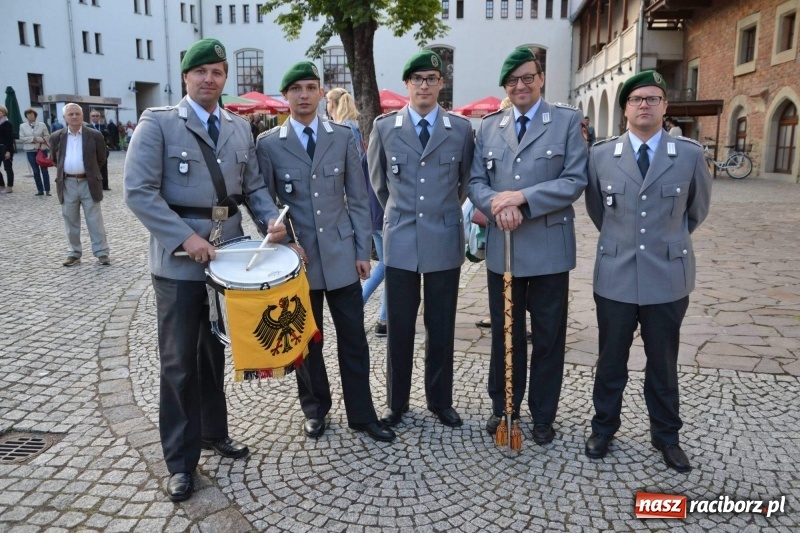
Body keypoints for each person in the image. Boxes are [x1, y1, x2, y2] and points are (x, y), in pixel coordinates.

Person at [124, 39, 287, 502]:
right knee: (178, 363)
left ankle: (214, 432)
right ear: (186, 78)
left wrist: (272, 221)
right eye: (201, 72)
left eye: (217, 72)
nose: (209, 80)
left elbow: (252, 187)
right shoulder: (158, 124)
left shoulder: (238, 128)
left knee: (213, 353)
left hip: (227, 261)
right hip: (178, 265)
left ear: (224, 78)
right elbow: (139, 191)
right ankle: (179, 461)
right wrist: (185, 237)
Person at [256, 61, 395, 443]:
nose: (304, 95)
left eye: (311, 87)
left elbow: (358, 195)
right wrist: (282, 243)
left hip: (341, 258)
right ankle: (315, 409)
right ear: (284, 96)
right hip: (297, 261)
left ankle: (362, 415)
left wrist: (362, 248)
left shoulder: (341, 137)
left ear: (321, 93)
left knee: (354, 338)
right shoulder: (268, 144)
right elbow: (263, 202)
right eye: (296, 88)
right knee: (305, 341)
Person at [583, 71, 712, 472]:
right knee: (610, 360)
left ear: (665, 107)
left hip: (667, 277)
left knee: (663, 362)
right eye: (637, 99)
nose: (645, 105)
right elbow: (596, 210)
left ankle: (666, 436)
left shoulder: (688, 154)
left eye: (653, 98)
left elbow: (697, 210)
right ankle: (604, 428)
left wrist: (665, 240)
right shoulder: (601, 155)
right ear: (625, 108)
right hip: (616, 274)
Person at [468, 46, 588, 444]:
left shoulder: (566, 122)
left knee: (549, 336)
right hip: (505, 248)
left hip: (550, 249)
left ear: (540, 80)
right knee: (506, 333)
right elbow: (475, 182)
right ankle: (506, 406)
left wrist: (521, 198)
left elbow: (574, 180)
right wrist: (495, 205)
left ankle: (542, 415)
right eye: (513, 80)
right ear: (505, 86)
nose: (521, 86)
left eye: (528, 78)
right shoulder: (488, 127)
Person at [368, 50, 475, 429]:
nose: (424, 85)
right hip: (400, 242)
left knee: (441, 325)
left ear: (441, 84)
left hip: (443, 239)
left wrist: (439, 214)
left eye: (432, 78)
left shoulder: (460, 130)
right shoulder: (384, 128)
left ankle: (439, 400)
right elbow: (379, 184)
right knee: (398, 327)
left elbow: (463, 185)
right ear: (407, 84)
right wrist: (404, 214)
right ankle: (396, 402)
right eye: (418, 79)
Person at [326, 87, 387, 336]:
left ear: (333, 104)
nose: (326, 107)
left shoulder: (344, 129)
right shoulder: (350, 127)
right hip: (370, 205)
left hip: (365, 203)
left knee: (385, 262)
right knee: (386, 263)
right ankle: (378, 315)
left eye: (327, 102)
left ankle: (378, 315)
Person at [50, 103, 111, 267]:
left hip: (88, 182)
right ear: (64, 118)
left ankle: (102, 253)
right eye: (71, 114)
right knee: (70, 219)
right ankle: (74, 253)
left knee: (94, 219)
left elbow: (101, 158)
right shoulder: (56, 136)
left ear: (82, 116)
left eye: (77, 113)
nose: (75, 116)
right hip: (67, 183)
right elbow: (55, 160)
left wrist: (90, 171)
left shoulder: (95, 135)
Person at [18, 108, 52, 196]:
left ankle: (47, 190)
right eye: (28, 115)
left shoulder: (41, 124)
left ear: (35, 115)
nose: (30, 116)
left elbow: (47, 136)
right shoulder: (22, 126)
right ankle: (40, 190)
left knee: (44, 170)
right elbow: (22, 138)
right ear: (26, 116)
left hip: (41, 149)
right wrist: (32, 139)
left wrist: (38, 139)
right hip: (30, 150)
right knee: (36, 171)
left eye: (32, 114)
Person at [89, 110, 111, 190]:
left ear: (100, 117)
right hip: (92, 150)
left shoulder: (103, 126)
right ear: (90, 117)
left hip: (103, 150)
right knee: (93, 168)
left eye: (97, 116)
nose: (95, 117)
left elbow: (108, 136)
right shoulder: (88, 127)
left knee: (104, 168)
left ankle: (105, 185)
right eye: (93, 116)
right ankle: (94, 185)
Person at [0, 105, 15, 193]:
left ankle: (9, 186)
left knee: (7, 167)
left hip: (6, 148)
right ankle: (1, 184)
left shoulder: (7, 123)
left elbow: (9, 138)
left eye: (0, 111)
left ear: (4, 112)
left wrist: (8, 151)